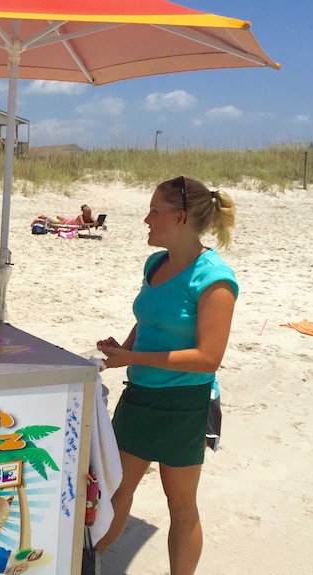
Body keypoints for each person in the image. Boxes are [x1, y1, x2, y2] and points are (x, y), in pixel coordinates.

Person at [94, 176, 238, 575]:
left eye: (154, 212)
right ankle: (89, 562)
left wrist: (132, 357)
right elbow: (148, 320)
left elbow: (208, 358)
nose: (146, 219)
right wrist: (121, 350)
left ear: (179, 218)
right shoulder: (155, 263)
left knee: (181, 505)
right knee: (116, 492)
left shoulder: (214, 278)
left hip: (186, 406)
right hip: (139, 394)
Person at [34, 204, 101, 227]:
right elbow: (83, 224)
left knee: (61, 218)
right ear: (84, 213)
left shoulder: (90, 217)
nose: (89, 214)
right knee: (55, 222)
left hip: (71, 219)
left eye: (90, 213)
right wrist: (92, 224)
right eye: (88, 213)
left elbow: (94, 221)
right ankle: (45, 217)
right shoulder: (80, 216)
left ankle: (59, 217)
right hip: (68, 223)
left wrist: (98, 222)